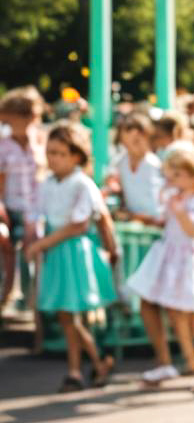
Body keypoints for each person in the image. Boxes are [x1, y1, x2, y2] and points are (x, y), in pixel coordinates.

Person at [125, 146, 194, 391]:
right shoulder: (176, 197)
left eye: (176, 175)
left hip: (191, 262)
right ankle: (192, 365)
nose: (171, 180)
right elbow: (167, 222)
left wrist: (180, 211)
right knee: (177, 314)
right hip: (173, 258)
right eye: (169, 175)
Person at [25, 123, 116, 391]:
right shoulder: (48, 184)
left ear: (76, 156)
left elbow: (79, 224)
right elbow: (36, 213)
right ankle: (93, 364)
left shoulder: (82, 184)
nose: (53, 158)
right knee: (67, 317)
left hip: (74, 252)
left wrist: (42, 244)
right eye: (50, 152)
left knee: (72, 314)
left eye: (60, 153)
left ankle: (81, 368)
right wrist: (35, 239)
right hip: (56, 250)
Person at [0, 86, 45, 313]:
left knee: (34, 251)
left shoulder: (40, 141)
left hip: (35, 209)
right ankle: (6, 296)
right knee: (7, 252)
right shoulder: (4, 145)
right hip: (10, 208)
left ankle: (32, 302)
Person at [108, 113, 164, 224]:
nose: (135, 142)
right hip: (134, 222)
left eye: (139, 138)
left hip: (156, 222)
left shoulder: (155, 164)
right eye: (130, 137)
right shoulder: (119, 162)